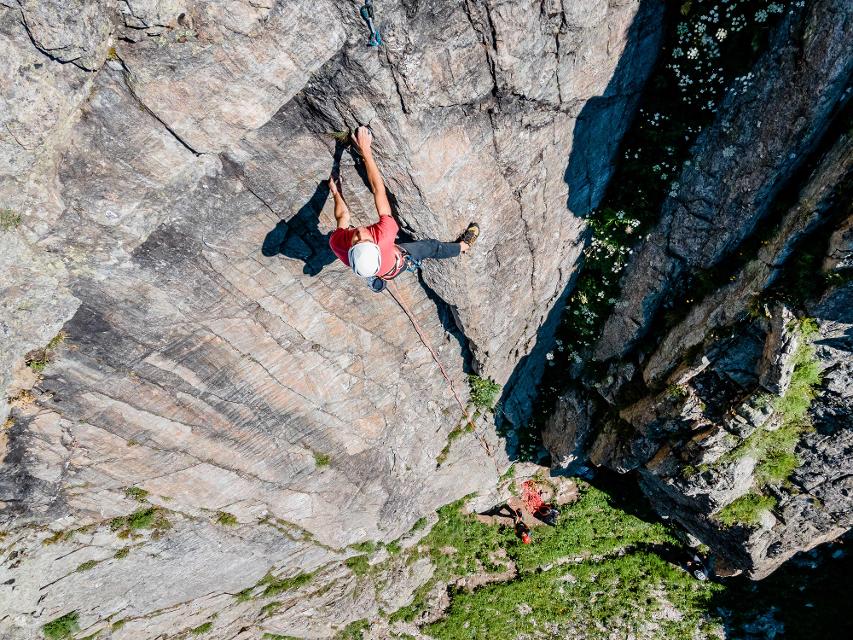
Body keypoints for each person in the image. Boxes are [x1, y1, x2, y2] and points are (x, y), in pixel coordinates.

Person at [328, 126, 480, 292]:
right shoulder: (384, 235)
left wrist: (336, 192)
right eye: (365, 240)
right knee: (431, 247)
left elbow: (342, 216)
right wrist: (366, 151)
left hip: (379, 266)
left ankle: (376, 277)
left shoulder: (338, 245)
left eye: (356, 242)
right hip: (396, 263)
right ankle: (464, 247)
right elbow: (378, 190)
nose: (359, 233)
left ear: (351, 251)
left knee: (370, 259)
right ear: (376, 245)